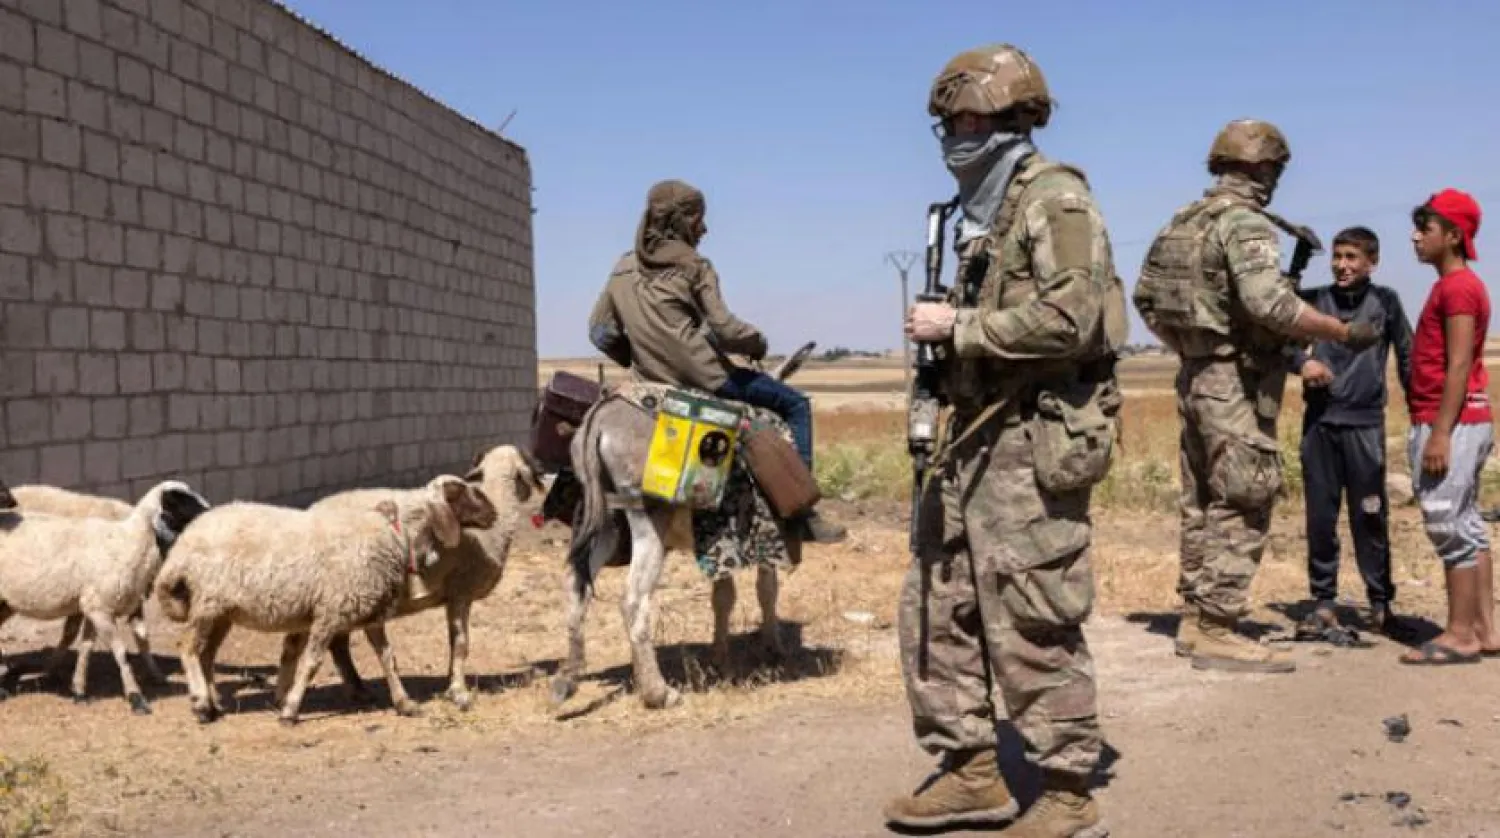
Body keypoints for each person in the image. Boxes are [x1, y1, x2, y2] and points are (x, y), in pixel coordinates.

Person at [887, 42, 1128, 837]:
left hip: (1030, 439)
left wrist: (959, 327)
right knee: (937, 603)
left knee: (1031, 608)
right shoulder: (975, 213)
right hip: (967, 439)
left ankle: (1065, 786)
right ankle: (972, 768)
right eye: (948, 120)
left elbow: (1074, 318)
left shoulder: (1051, 201)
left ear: (1015, 117)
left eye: (970, 117)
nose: (957, 133)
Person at [1131, 119, 1382, 674]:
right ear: (1265, 168)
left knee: (1201, 498)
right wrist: (1340, 332)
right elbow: (1271, 305)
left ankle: (1197, 617)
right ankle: (1216, 625)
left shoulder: (1184, 221)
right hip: (1234, 382)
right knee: (1245, 493)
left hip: (1196, 375)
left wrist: (1194, 347)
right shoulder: (1244, 224)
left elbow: (1144, 298)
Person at [586, 179, 847, 544]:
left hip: (648, 382)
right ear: (682, 220)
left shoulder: (622, 267)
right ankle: (802, 514)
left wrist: (637, 356)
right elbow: (724, 328)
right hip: (707, 378)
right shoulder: (695, 266)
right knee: (796, 404)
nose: (704, 229)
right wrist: (757, 341)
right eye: (698, 219)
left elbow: (599, 332)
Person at [1288, 226, 1413, 638]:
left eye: (1352, 258)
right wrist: (1301, 363)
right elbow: (1272, 335)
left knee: (1371, 517)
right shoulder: (1315, 301)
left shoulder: (1386, 302)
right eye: (1338, 256)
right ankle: (1324, 602)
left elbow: (1408, 359)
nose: (1342, 265)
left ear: (1371, 262)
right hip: (1320, 424)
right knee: (1321, 518)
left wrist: (1423, 416)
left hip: (1365, 426)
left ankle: (1380, 603)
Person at [1399, 188, 1499, 664]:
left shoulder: (1458, 287)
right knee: (1467, 524)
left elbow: (1458, 364)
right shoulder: (1453, 285)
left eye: (1427, 228)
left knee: (1446, 521)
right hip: (1463, 419)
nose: (1416, 237)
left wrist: (1438, 432)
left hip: (1451, 422)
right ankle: (1484, 628)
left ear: (1454, 236)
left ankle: (1459, 634)